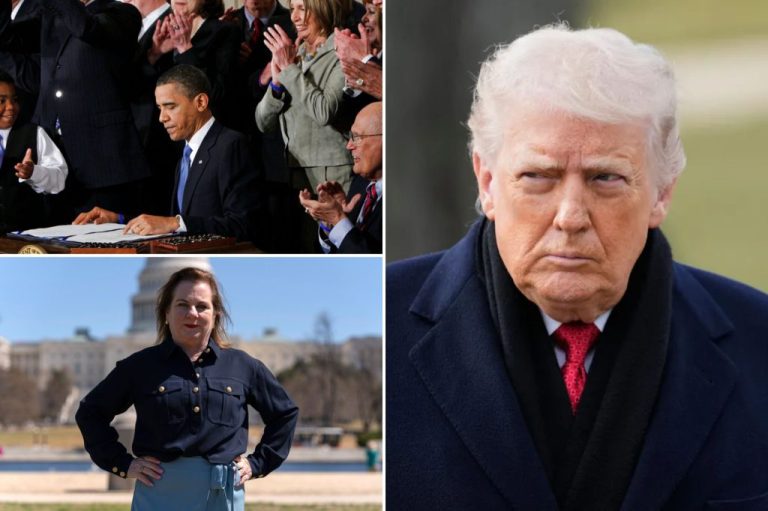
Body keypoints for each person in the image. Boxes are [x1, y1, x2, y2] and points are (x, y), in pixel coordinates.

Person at [386, 24, 768, 509]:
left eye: (605, 178)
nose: (570, 216)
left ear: (662, 192)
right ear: (486, 181)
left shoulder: (760, 344)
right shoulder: (382, 325)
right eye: (537, 176)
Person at [76, 266, 299, 510]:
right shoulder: (140, 366)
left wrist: (258, 464)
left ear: (216, 314)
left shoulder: (242, 366)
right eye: (182, 305)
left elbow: (284, 413)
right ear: (166, 313)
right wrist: (123, 463)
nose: (192, 314)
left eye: (202, 306)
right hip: (159, 492)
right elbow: (90, 413)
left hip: (221, 494)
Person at [74, 65, 262, 244]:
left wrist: (175, 223)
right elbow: (169, 222)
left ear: (201, 102)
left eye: (170, 106)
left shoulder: (231, 145)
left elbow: (244, 225)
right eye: (159, 108)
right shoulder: (184, 156)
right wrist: (118, 219)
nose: (162, 117)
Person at [0, 0, 151, 221]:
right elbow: (6, 38)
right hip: (52, 163)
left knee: (100, 246)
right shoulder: (49, 18)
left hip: (103, 164)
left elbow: (87, 28)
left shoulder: (122, 14)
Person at [299, 101, 381, 253]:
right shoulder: (361, 184)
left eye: (356, 137)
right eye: (350, 136)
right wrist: (330, 225)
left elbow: (375, 268)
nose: (349, 145)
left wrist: (338, 218)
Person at [145, 0, 240, 128]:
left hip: (201, 130)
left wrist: (185, 48)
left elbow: (217, 93)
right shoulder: (159, 27)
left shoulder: (225, 31)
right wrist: (155, 54)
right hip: (158, 132)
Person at [0, 70, 67, 233]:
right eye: (2, 101)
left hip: (24, 236)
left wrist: (34, 172)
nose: (11, 107)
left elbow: (59, 180)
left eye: (14, 100)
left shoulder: (34, 133)